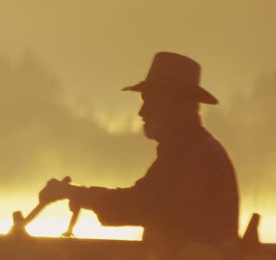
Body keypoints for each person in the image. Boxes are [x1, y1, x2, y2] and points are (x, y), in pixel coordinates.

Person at [41, 51, 239, 244]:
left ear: (174, 104)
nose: (141, 112)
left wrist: (76, 193)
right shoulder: (194, 148)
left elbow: (140, 205)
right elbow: (145, 204)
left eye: (149, 102)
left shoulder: (193, 155)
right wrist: (81, 195)